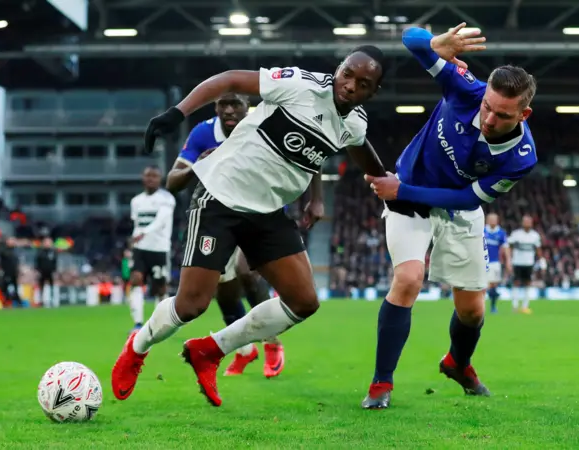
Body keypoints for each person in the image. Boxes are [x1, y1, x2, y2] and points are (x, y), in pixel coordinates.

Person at [112, 46, 388, 406]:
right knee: (192, 304)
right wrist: (177, 113)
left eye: (363, 83)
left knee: (304, 301)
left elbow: (354, 145)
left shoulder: (354, 122)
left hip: (268, 212)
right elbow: (230, 80)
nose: (351, 86)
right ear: (338, 69)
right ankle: (137, 347)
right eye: (347, 74)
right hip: (220, 197)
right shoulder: (300, 85)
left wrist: (384, 181)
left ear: (372, 92)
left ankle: (210, 350)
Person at [362, 23, 537, 408]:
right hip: (409, 199)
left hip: (449, 205)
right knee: (408, 279)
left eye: (503, 115)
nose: (489, 118)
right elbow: (410, 39)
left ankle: (459, 362)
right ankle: (381, 384)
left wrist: (399, 189)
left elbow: (466, 199)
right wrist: (433, 43)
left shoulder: (521, 158)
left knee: (472, 312)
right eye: (487, 107)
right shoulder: (466, 89)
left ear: (524, 114)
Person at [166, 93, 298, 378]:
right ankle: (244, 351)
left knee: (246, 271)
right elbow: (172, 181)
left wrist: (314, 199)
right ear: (214, 107)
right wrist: (196, 165)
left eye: (235, 103)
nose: (228, 110)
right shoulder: (204, 132)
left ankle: (272, 343)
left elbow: (305, 154)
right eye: (222, 104)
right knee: (224, 291)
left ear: (247, 106)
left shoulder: (263, 126)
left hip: (261, 212)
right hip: (220, 217)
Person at [127, 166, 176, 332]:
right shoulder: (136, 201)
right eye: (148, 176)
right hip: (140, 249)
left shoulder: (166, 199)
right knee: (135, 281)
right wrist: (134, 240)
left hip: (159, 249)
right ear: (143, 178)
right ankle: (138, 324)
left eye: (154, 176)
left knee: (160, 290)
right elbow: (137, 224)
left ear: (160, 179)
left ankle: (160, 325)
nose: (151, 179)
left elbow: (161, 220)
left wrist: (144, 232)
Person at [508, 214, 543, 313]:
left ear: (532, 223)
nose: (527, 223)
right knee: (516, 283)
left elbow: (538, 249)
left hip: (529, 263)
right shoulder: (516, 234)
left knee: (528, 283)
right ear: (522, 223)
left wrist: (542, 261)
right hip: (517, 262)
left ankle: (525, 306)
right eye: (525, 221)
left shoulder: (535, 235)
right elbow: (508, 246)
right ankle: (514, 306)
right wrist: (509, 259)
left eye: (529, 221)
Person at [484, 213, 511, 313]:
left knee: (493, 284)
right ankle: (481, 306)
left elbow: (505, 247)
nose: (492, 221)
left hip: (495, 262)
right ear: (487, 220)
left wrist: (508, 261)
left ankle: (493, 306)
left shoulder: (501, 233)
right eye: (490, 219)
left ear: (497, 221)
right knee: (485, 285)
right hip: (482, 262)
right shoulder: (482, 231)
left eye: (494, 219)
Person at [35, 237, 57, 307]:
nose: (47, 244)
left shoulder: (53, 252)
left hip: (50, 272)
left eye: (49, 242)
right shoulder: (40, 252)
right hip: (42, 272)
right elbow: (37, 262)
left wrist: (54, 271)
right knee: (41, 286)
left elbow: (54, 262)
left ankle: (52, 299)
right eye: (46, 242)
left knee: (52, 286)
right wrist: (37, 271)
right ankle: (41, 300)